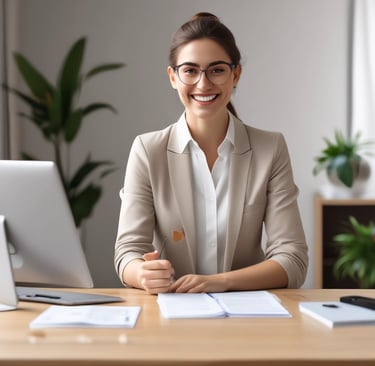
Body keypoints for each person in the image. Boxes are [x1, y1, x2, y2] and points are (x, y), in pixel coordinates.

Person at [114, 12, 308, 294]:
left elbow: (293, 259)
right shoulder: (148, 150)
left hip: (249, 314)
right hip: (171, 311)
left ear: (235, 74)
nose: (203, 84)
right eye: (190, 70)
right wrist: (141, 274)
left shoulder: (270, 149)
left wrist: (219, 282)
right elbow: (127, 252)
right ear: (173, 77)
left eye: (216, 70)